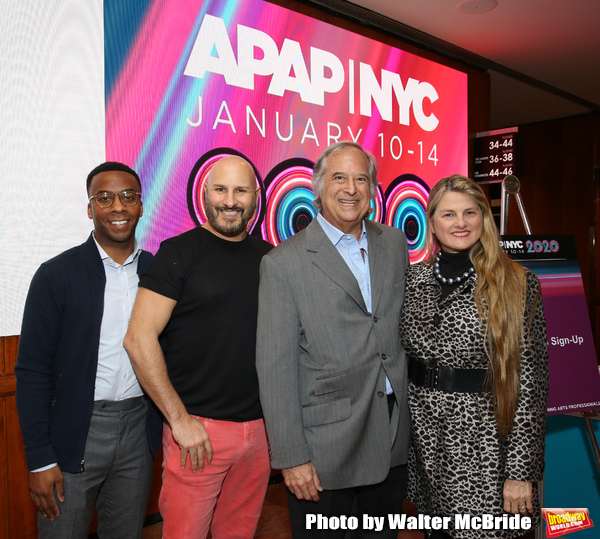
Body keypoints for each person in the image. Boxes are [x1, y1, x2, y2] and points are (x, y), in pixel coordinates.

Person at [256, 141, 410, 538]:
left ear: (373, 189)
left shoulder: (394, 244)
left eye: (362, 178)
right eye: (339, 177)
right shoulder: (282, 263)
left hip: (391, 432)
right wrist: (291, 458)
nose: (351, 188)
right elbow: (275, 368)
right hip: (325, 448)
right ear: (319, 187)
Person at [123, 155, 273, 539]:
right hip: (198, 435)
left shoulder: (270, 258)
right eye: (220, 189)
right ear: (204, 193)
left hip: (261, 434)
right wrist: (180, 421)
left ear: (256, 197)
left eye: (240, 191)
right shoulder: (178, 252)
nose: (229, 201)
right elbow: (139, 339)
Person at [15, 162, 162, 538]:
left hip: (137, 431)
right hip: (74, 433)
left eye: (129, 197)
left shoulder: (157, 273)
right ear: (90, 207)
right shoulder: (56, 275)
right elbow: (32, 371)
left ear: (141, 206)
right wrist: (39, 459)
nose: (118, 206)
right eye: (105, 197)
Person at [401, 174, 549, 539]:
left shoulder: (516, 281)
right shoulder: (411, 279)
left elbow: (531, 383)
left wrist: (520, 471)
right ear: (431, 222)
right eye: (448, 214)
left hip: (485, 444)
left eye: (470, 212)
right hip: (425, 440)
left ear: (484, 218)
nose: (461, 223)